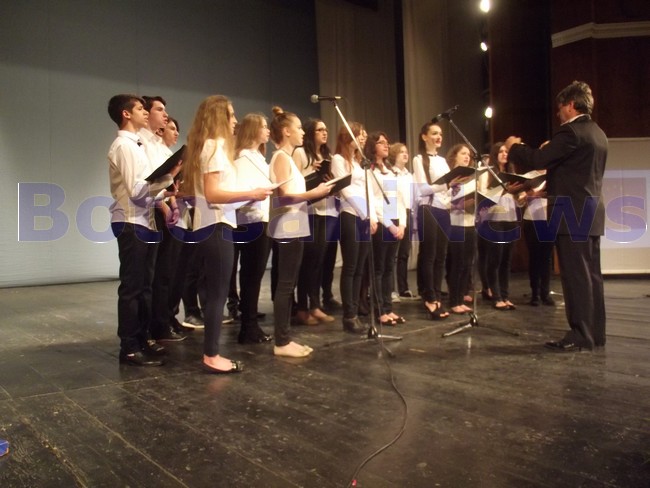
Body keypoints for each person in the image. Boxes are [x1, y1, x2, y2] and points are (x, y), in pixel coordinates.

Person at [506, 80, 607, 351]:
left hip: (571, 213)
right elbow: (574, 174)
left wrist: (514, 146)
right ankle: (595, 333)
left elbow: (539, 159)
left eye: (560, 107)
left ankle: (581, 334)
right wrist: (539, 191)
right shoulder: (598, 133)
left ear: (570, 105)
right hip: (590, 210)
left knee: (575, 276)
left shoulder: (571, 132)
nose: (558, 113)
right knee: (591, 276)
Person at [182, 95, 272, 373]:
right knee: (218, 293)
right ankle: (211, 355)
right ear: (219, 117)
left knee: (217, 292)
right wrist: (251, 192)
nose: (235, 121)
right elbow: (213, 194)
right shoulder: (215, 147)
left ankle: (212, 352)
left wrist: (248, 196)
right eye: (231, 115)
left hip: (214, 224)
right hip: (216, 226)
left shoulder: (208, 147)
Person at [107, 94, 181, 366]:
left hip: (144, 221)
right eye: (140, 108)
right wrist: (169, 176)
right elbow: (137, 192)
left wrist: (166, 190)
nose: (145, 112)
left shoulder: (136, 145)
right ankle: (128, 346)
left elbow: (147, 190)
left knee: (144, 287)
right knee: (132, 287)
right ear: (126, 114)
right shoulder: (123, 146)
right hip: (130, 221)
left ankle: (142, 339)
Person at [268, 107, 331, 357]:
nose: (302, 132)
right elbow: (283, 197)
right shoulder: (281, 158)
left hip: (294, 223)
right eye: (298, 128)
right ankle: (281, 341)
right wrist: (313, 193)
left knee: (289, 282)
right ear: (286, 131)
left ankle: (284, 339)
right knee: (286, 285)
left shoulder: (288, 158)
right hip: (287, 225)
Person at [331, 122, 377, 333]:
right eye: (360, 135)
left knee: (360, 267)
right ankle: (349, 315)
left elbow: (370, 193)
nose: (363, 138)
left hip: (365, 217)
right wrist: (365, 214)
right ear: (347, 136)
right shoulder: (338, 160)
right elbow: (346, 191)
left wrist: (372, 216)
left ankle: (356, 310)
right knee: (350, 267)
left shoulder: (360, 164)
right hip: (350, 215)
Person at [232, 113, 274, 344]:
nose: (268, 130)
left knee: (255, 276)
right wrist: (255, 193)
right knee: (251, 275)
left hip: (261, 218)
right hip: (250, 221)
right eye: (264, 126)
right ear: (252, 130)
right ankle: (248, 326)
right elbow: (239, 192)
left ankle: (250, 324)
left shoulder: (258, 158)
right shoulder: (242, 158)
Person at [293, 118, 336, 325]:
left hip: (326, 210)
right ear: (311, 133)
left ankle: (315, 305)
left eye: (326, 129)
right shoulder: (301, 153)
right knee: (307, 261)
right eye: (320, 130)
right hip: (309, 210)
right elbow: (294, 181)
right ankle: (302, 307)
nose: (324, 132)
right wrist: (312, 171)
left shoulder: (328, 156)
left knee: (319, 260)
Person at [366, 132, 406, 326]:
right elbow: (373, 201)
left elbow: (399, 199)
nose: (386, 145)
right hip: (383, 224)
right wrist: (389, 225)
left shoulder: (390, 170)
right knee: (379, 268)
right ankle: (379, 310)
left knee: (390, 267)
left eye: (386, 142)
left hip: (396, 222)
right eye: (381, 142)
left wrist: (402, 224)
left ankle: (389, 308)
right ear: (372, 146)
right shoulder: (369, 170)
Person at [412, 122, 451, 320]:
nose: (438, 137)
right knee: (429, 254)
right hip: (428, 208)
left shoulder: (443, 161)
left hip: (444, 209)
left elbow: (448, 187)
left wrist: (453, 188)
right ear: (424, 136)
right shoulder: (419, 159)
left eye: (440, 133)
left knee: (441, 255)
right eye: (434, 133)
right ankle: (429, 297)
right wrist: (446, 185)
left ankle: (437, 294)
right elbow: (422, 189)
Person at [481, 142, 523, 312]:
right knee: (495, 259)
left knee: (506, 260)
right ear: (494, 154)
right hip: (494, 219)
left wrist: (521, 195)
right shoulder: (488, 173)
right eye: (501, 151)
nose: (505, 154)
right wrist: (503, 190)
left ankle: (505, 296)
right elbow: (483, 197)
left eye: (506, 151)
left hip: (511, 218)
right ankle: (496, 296)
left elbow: (518, 200)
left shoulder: (512, 173)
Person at [445, 144, 477, 315]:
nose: (467, 156)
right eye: (463, 153)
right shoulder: (450, 177)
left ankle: (461, 297)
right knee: (456, 263)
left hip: (470, 223)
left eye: (469, 154)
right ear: (454, 156)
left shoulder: (472, 177)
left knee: (467, 263)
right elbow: (443, 200)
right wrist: (459, 204)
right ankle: (454, 300)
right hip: (455, 224)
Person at [520, 170, 555, 306]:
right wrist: (534, 194)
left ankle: (545, 293)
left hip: (548, 219)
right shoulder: (530, 175)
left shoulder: (555, 174)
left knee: (546, 258)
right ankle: (535, 294)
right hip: (532, 220)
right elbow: (520, 199)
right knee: (534, 257)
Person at [388, 142, 417, 299]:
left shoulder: (409, 175)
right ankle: (390, 289)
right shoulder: (390, 173)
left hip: (408, 212)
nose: (405, 154)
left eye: (406, 151)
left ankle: (403, 288)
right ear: (394, 155)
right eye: (401, 152)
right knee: (392, 253)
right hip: (394, 212)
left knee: (404, 253)